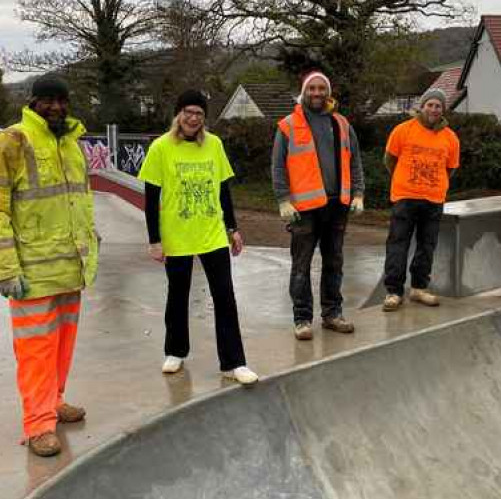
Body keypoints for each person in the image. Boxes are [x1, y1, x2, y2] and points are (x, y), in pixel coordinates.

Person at [0, 75, 99, 458]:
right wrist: (5, 269)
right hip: (31, 272)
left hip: (69, 265)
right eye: (47, 100)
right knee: (35, 352)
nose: (55, 107)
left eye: (61, 100)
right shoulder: (10, 142)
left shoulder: (71, 143)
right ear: (32, 102)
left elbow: (79, 200)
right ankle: (38, 425)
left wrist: (90, 245)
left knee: (63, 345)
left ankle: (54, 401)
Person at [138, 89, 259, 386]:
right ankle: (175, 351)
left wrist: (232, 228)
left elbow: (223, 190)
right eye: (188, 112)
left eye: (199, 114)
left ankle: (234, 362)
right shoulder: (160, 148)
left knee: (224, 296)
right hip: (176, 235)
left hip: (212, 234)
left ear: (204, 119)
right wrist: (155, 240)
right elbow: (151, 199)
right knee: (177, 295)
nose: (193, 118)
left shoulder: (214, 145)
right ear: (178, 115)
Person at [272, 68, 365, 340]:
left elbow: (355, 161)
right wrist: (283, 200)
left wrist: (358, 193)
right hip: (303, 211)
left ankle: (332, 314)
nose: (316, 93)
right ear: (304, 92)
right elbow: (278, 166)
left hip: (337, 206)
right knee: (301, 266)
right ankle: (302, 319)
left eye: (321, 88)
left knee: (334, 262)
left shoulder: (342, 124)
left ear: (328, 92)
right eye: (311, 89)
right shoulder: (288, 125)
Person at [381, 88, 460, 311]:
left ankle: (418, 288)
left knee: (427, 245)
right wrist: (405, 180)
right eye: (430, 105)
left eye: (438, 106)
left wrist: (434, 183)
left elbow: (451, 168)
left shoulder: (450, 138)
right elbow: (390, 160)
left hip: (434, 199)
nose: (434, 109)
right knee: (398, 244)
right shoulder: (403, 130)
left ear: (443, 110)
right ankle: (394, 292)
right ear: (422, 106)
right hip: (405, 197)